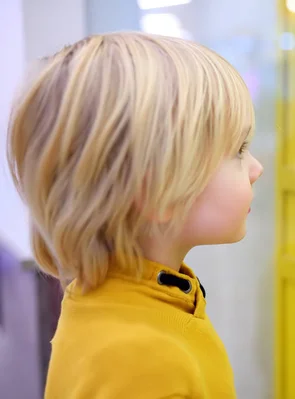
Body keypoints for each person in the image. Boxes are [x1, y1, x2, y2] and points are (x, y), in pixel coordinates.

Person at [7, 31, 263, 399]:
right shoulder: (143, 363)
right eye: (239, 150)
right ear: (156, 190)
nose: (256, 168)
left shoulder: (116, 299)